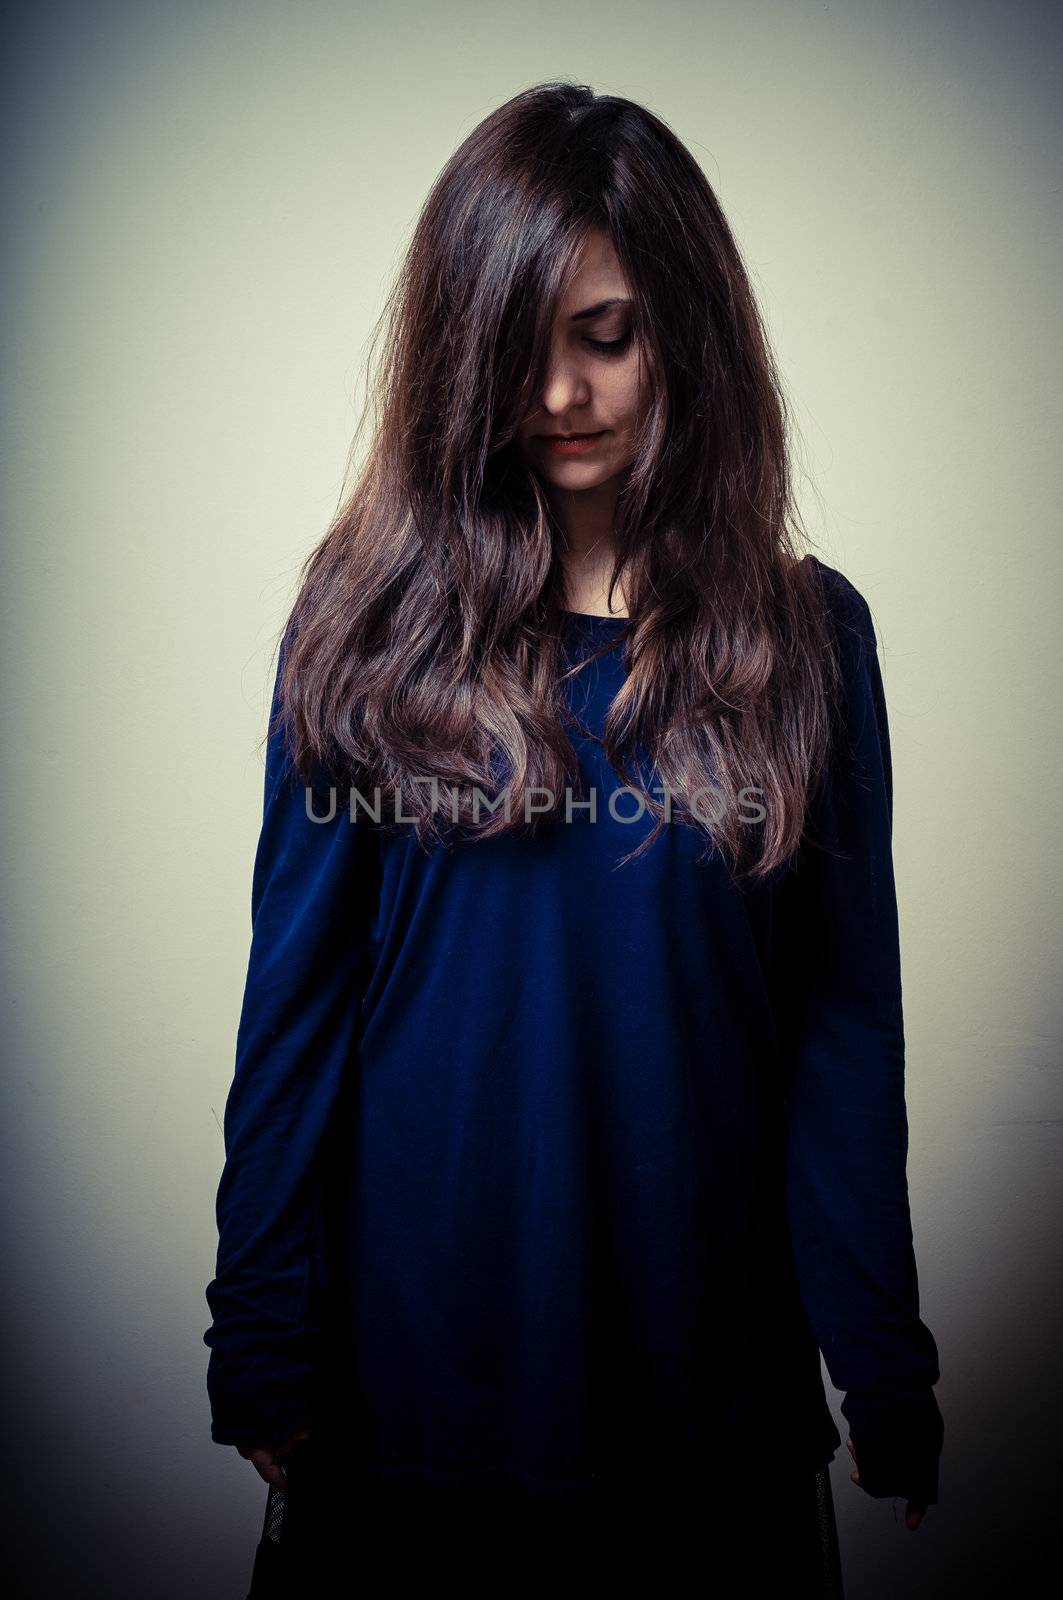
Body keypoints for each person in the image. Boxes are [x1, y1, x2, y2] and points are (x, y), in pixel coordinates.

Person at [203, 81, 944, 1596]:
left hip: (702, 1381)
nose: (560, 393)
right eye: (521, 342)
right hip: (418, 1376)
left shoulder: (808, 640)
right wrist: (262, 1322)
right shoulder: (365, 629)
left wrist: (880, 1355)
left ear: (685, 327)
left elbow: (842, 1026)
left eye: (604, 333)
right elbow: (297, 1001)